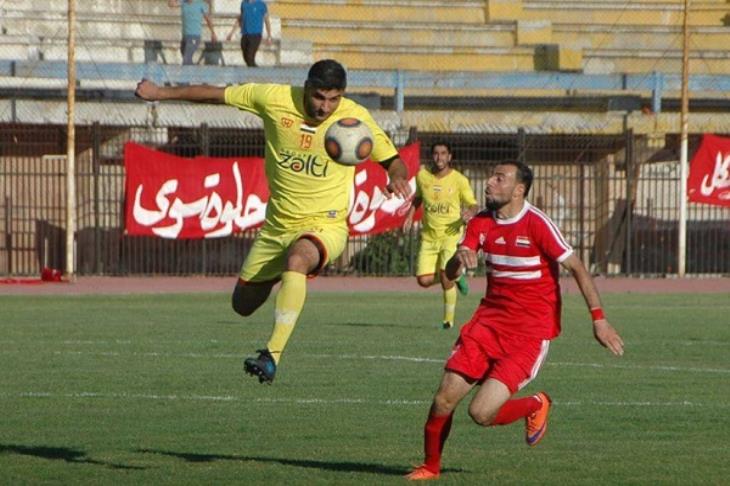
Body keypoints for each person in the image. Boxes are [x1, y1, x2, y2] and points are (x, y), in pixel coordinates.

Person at [134, 59, 411, 385]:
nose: (325, 107)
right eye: (320, 97)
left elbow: (393, 161)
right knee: (242, 305)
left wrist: (396, 178)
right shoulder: (274, 98)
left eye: (333, 99)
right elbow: (214, 94)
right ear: (307, 88)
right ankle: (287, 282)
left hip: (326, 224)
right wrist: (160, 93)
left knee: (298, 259)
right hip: (276, 228)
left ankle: (272, 354)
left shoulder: (353, 119)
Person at [405, 160, 624, 480]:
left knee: (480, 413)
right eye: (491, 177)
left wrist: (599, 320)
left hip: (529, 335)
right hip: (487, 325)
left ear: (519, 190)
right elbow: (449, 276)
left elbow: (577, 268)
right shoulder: (480, 222)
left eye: (499, 178)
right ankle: (430, 466)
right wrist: (457, 259)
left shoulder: (537, 223)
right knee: (444, 398)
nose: (489, 183)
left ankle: (536, 404)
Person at [402, 142, 478, 329]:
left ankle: (448, 321)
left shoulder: (459, 180)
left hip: (451, 234)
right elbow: (418, 197)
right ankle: (457, 276)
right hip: (429, 236)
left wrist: (470, 212)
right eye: (436, 153)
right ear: (432, 156)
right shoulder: (423, 176)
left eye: (444, 153)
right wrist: (410, 216)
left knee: (445, 276)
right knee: (424, 280)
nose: (440, 157)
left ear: (450, 157)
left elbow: (473, 204)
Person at [168, 0, 217, 65]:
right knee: (186, 58)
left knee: (186, 59)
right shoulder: (183, 2)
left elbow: (208, 20)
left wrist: (213, 33)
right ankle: (194, 73)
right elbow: (171, 4)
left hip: (195, 36)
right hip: (185, 37)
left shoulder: (200, 4)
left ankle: (188, 74)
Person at [226, 0, 272, 67]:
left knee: (249, 56)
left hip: (256, 35)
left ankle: (253, 73)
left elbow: (266, 20)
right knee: (246, 57)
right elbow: (240, 19)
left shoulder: (261, 4)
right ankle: (254, 72)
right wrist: (231, 33)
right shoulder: (243, 4)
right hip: (245, 34)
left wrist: (269, 35)